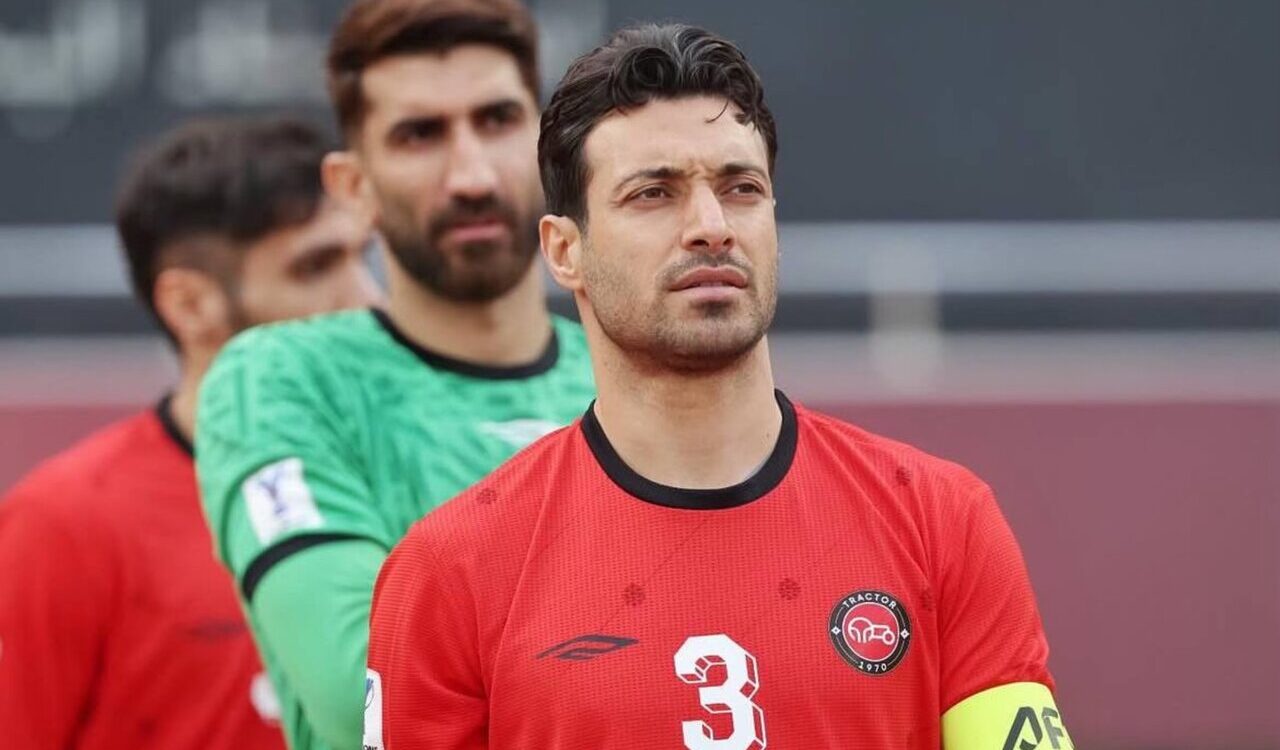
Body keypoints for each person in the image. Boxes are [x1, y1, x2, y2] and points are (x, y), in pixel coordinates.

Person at [367, 23, 1074, 750]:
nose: (711, 226)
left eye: (741, 189)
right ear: (564, 250)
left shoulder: (941, 522)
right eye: (654, 193)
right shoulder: (451, 570)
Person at [193, 1, 596, 749]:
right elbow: (369, 700)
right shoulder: (280, 382)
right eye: (419, 135)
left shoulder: (633, 372)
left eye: (498, 121)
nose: (471, 175)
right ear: (353, 186)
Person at [0, 116, 379, 750]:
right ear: (190, 305)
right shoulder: (62, 524)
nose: (366, 301)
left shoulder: (414, 478)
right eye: (313, 267)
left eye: (360, 258)